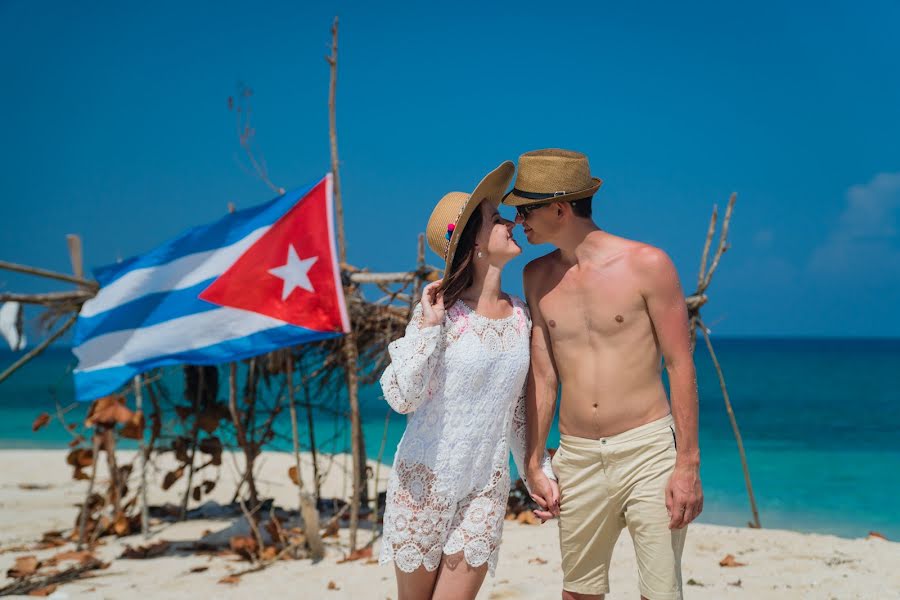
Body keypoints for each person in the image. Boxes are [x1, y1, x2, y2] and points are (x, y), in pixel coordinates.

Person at [505, 149, 703, 600]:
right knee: (579, 593)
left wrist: (687, 464)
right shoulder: (536, 276)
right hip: (577, 457)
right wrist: (535, 464)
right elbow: (544, 375)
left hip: (648, 451)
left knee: (660, 592)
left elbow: (680, 365)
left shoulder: (647, 265)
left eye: (525, 209)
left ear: (560, 209)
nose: (517, 220)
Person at [379, 161, 556, 600]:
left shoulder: (521, 316)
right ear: (473, 242)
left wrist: (536, 472)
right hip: (423, 485)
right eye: (497, 220)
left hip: (484, 489)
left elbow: (515, 408)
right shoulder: (440, 312)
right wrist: (425, 328)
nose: (512, 223)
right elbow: (402, 397)